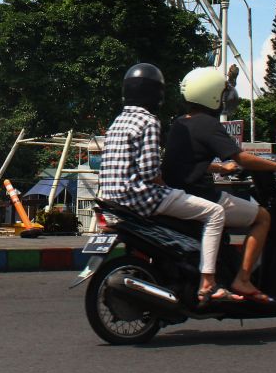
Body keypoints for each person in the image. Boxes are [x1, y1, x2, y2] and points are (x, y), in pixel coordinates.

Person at [96, 62, 239, 305]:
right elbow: (150, 171)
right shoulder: (149, 121)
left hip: (112, 199)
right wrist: (170, 188)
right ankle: (208, 282)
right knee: (215, 213)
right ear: (156, 93)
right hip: (140, 197)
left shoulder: (117, 121)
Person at [163, 66, 276, 303]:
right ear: (213, 95)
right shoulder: (209, 124)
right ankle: (242, 279)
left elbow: (186, 162)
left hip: (177, 194)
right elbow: (241, 157)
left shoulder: (180, 123)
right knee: (262, 217)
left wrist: (219, 168)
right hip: (200, 195)